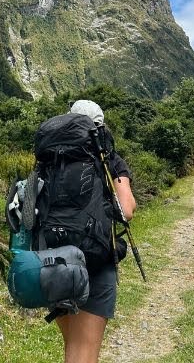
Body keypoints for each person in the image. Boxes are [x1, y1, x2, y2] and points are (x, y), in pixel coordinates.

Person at [55, 99, 137, 363]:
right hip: (94, 261)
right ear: (101, 127)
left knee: (73, 347)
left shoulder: (52, 156)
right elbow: (127, 210)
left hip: (53, 261)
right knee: (83, 353)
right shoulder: (109, 160)